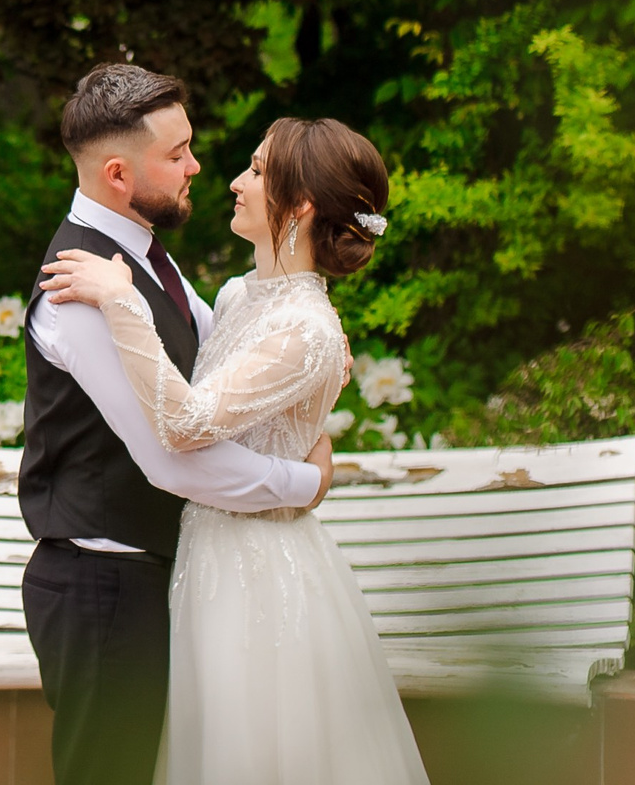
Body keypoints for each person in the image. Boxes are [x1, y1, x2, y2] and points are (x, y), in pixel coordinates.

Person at [41, 115, 431, 785]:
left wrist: (121, 303)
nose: (234, 182)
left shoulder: (308, 329)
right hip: (205, 558)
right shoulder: (235, 295)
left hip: (261, 572)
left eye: (256, 171)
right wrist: (309, 450)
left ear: (298, 205)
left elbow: (186, 424)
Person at [17, 65, 338, 785]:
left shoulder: (146, 258)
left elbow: (220, 370)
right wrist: (305, 482)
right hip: (105, 588)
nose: (197, 166)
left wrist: (308, 364)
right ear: (119, 175)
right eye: (177, 154)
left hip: (161, 578)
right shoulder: (78, 292)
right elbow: (173, 458)